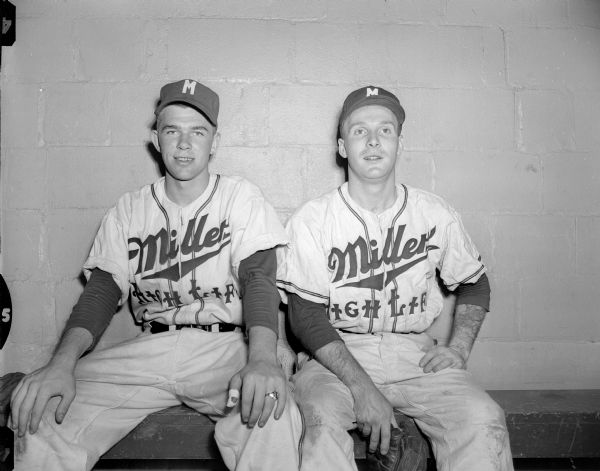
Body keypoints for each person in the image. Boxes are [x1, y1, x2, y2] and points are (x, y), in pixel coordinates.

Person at [9, 79, 302, 471]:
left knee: (272, 409)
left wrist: (264, 357)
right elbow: (100, 294)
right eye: (172, 130)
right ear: (155, 138)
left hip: (225, 349)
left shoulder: (240, 198)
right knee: (41, 409)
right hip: (148, 351)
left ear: (215, 141)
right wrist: (61, 364)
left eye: (197, 132)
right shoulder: (130, 210)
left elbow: (258, 279)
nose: (184, 144)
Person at [277, 85, 513, 471]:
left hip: (414, 356)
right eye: (359, 131)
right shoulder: (312, 219)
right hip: (334, 357)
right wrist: (363, 388)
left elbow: (475, 284)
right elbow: (305, 316)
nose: (373, 141)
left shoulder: (433, 212)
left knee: (482, 417)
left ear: (399, 143)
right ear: (341, 147)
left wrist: (459, 350)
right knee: (317, 423)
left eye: (385, 130)